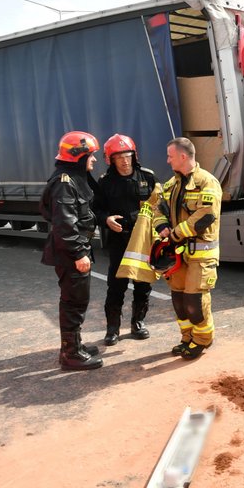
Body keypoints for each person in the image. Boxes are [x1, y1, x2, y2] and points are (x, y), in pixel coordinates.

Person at [40, 131, 104, 371]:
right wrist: (78, 253)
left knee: (77, 299)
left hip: (73, 248)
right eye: (91, 155)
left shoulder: (75, 178)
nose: (94, 160)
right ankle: (71, 353)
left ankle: (73, 346)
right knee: (73, 301)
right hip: (70, 253)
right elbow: (65, 224)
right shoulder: (65, 183)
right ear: (79, 156)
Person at [153, 137, 222, 360]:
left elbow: (206, 216)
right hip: (178, 254)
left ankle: (203, 340)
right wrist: (162, 225)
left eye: (170, 156)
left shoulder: (207, 182)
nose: (167, 160)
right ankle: (187, 337)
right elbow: (158, 209)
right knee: (179, 301)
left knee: (194, 302)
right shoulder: (170, 185)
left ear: (183, 157)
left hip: (201, 255)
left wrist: (175, 234)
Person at [93, 134, 157, 346]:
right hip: (119, 241)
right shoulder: (105, 182)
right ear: (110, 159)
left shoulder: (147, 177)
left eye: (127, 155)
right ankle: (112, 330)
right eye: (118, 156)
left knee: (143, 283)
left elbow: (160, 207)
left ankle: (138, 323)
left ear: (134, 155)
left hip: (143, 241)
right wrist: (106, 219)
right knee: (116, 285)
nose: (124, 160)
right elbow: (96, 210)